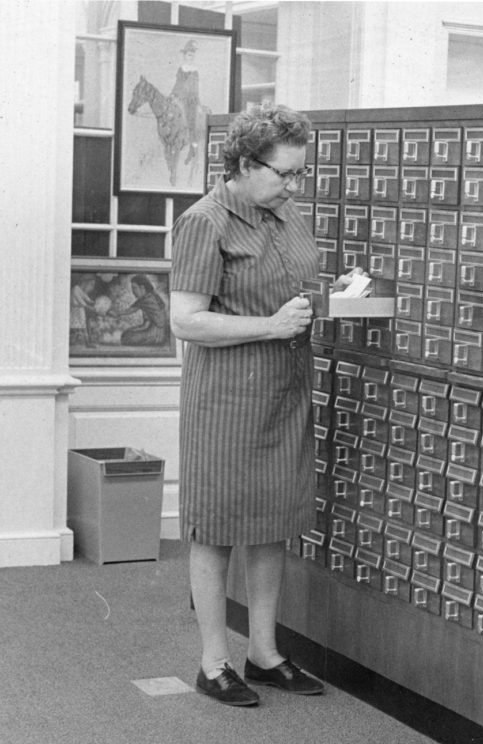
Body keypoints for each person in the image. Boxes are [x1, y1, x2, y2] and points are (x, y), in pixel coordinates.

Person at [170, 104, 324, 707]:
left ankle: (264, 652)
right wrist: (271, 325)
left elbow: (294, 286)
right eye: (284, 174)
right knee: (216, 526)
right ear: (242, 163)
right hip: (227, 397)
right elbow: (186, 320)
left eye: (298, 175)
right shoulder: (204, 222)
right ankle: (214, 662)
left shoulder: (287, 215)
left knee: (273, 522)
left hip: (283, 390)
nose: (292, 186)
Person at [109, 274, 170, 348]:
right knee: (128, 333)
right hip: (159, 333)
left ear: (142, 288)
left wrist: (116, 314)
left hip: (155, 335)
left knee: (127, 337)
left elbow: (130, 310)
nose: (133, 291)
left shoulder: (146, 299)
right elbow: (146, 321)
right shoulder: (150, 296)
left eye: (134, 288)